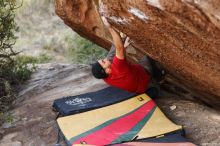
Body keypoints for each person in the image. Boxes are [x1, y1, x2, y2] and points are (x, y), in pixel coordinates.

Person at [91, 17, 151, 94]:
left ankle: (121, 38)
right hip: (145, 79)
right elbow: (119, 48)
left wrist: (123, 47)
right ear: (107, 70)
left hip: (137, 88)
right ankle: (159, 77)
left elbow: (118, 53)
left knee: (112, 57)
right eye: (103, 61)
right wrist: (110, 27)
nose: (104, 59)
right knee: (146, 57)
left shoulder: (105, 77)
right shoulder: (118, 67)